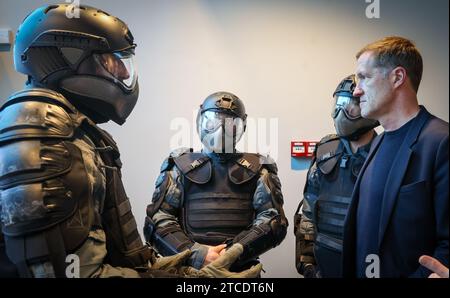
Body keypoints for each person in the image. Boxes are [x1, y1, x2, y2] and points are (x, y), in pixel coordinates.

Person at [0, 4, 260, 278]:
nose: (124, 74)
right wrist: (193, 277)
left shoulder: (72, 130)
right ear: (68, 58)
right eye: (112, 61)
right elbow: (74, 273)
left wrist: (185, 264)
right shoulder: (43, 129)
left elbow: (120, 255)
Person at [145, 91, 288, 272]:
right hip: (190, 268)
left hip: (239, 268)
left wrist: (233, 252)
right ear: (200, 122)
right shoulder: (180, 166)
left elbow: (273, 222)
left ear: (241, 127)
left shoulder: (258, 168)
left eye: (230, 125)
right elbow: (158, 220)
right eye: (212, 122)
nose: (220, 131)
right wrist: (197, 254)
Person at [341, 36, 449, 278]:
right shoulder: (377, 141)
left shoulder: (441, 142)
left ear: (397, 77)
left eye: (364, 78)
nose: (356, 91)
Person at [294, 75, 378, 278]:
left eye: (350, 106)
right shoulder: (326, 149)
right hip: (324, 259)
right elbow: (309, 209)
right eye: (338, 105)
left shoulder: (385, 151)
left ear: (368, 107)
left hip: (366, 261)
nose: (341, 113)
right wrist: (307, 261)